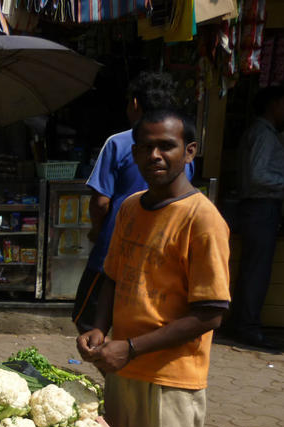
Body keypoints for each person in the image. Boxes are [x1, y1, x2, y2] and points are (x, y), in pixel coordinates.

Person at [76, 109, 230, 427]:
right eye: (145, 147)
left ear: (190, 151)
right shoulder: (131, 209)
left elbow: (211, 311)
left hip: (171, 376)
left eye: (167, 146)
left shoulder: (202, 218)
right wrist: (100, 330)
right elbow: (112, 280)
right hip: (125, 367)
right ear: (133, 153)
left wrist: (133, 347)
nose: (155, 156)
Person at [72, 72, 194, 332]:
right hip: (161, 256)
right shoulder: (181, 151)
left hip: (113, 249)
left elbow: (101, 202)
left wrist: (96, 231)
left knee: (90, 323)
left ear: (135, 104)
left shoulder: (119, 143)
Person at [229, 86, 284, 349]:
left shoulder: (266, 133)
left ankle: (244, 322)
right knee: (256, 271)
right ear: (274, 104)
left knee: (254, 269)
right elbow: (258, 176)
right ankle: (247, 326)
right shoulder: (263, 134)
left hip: (261, 208)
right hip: (260, 207)